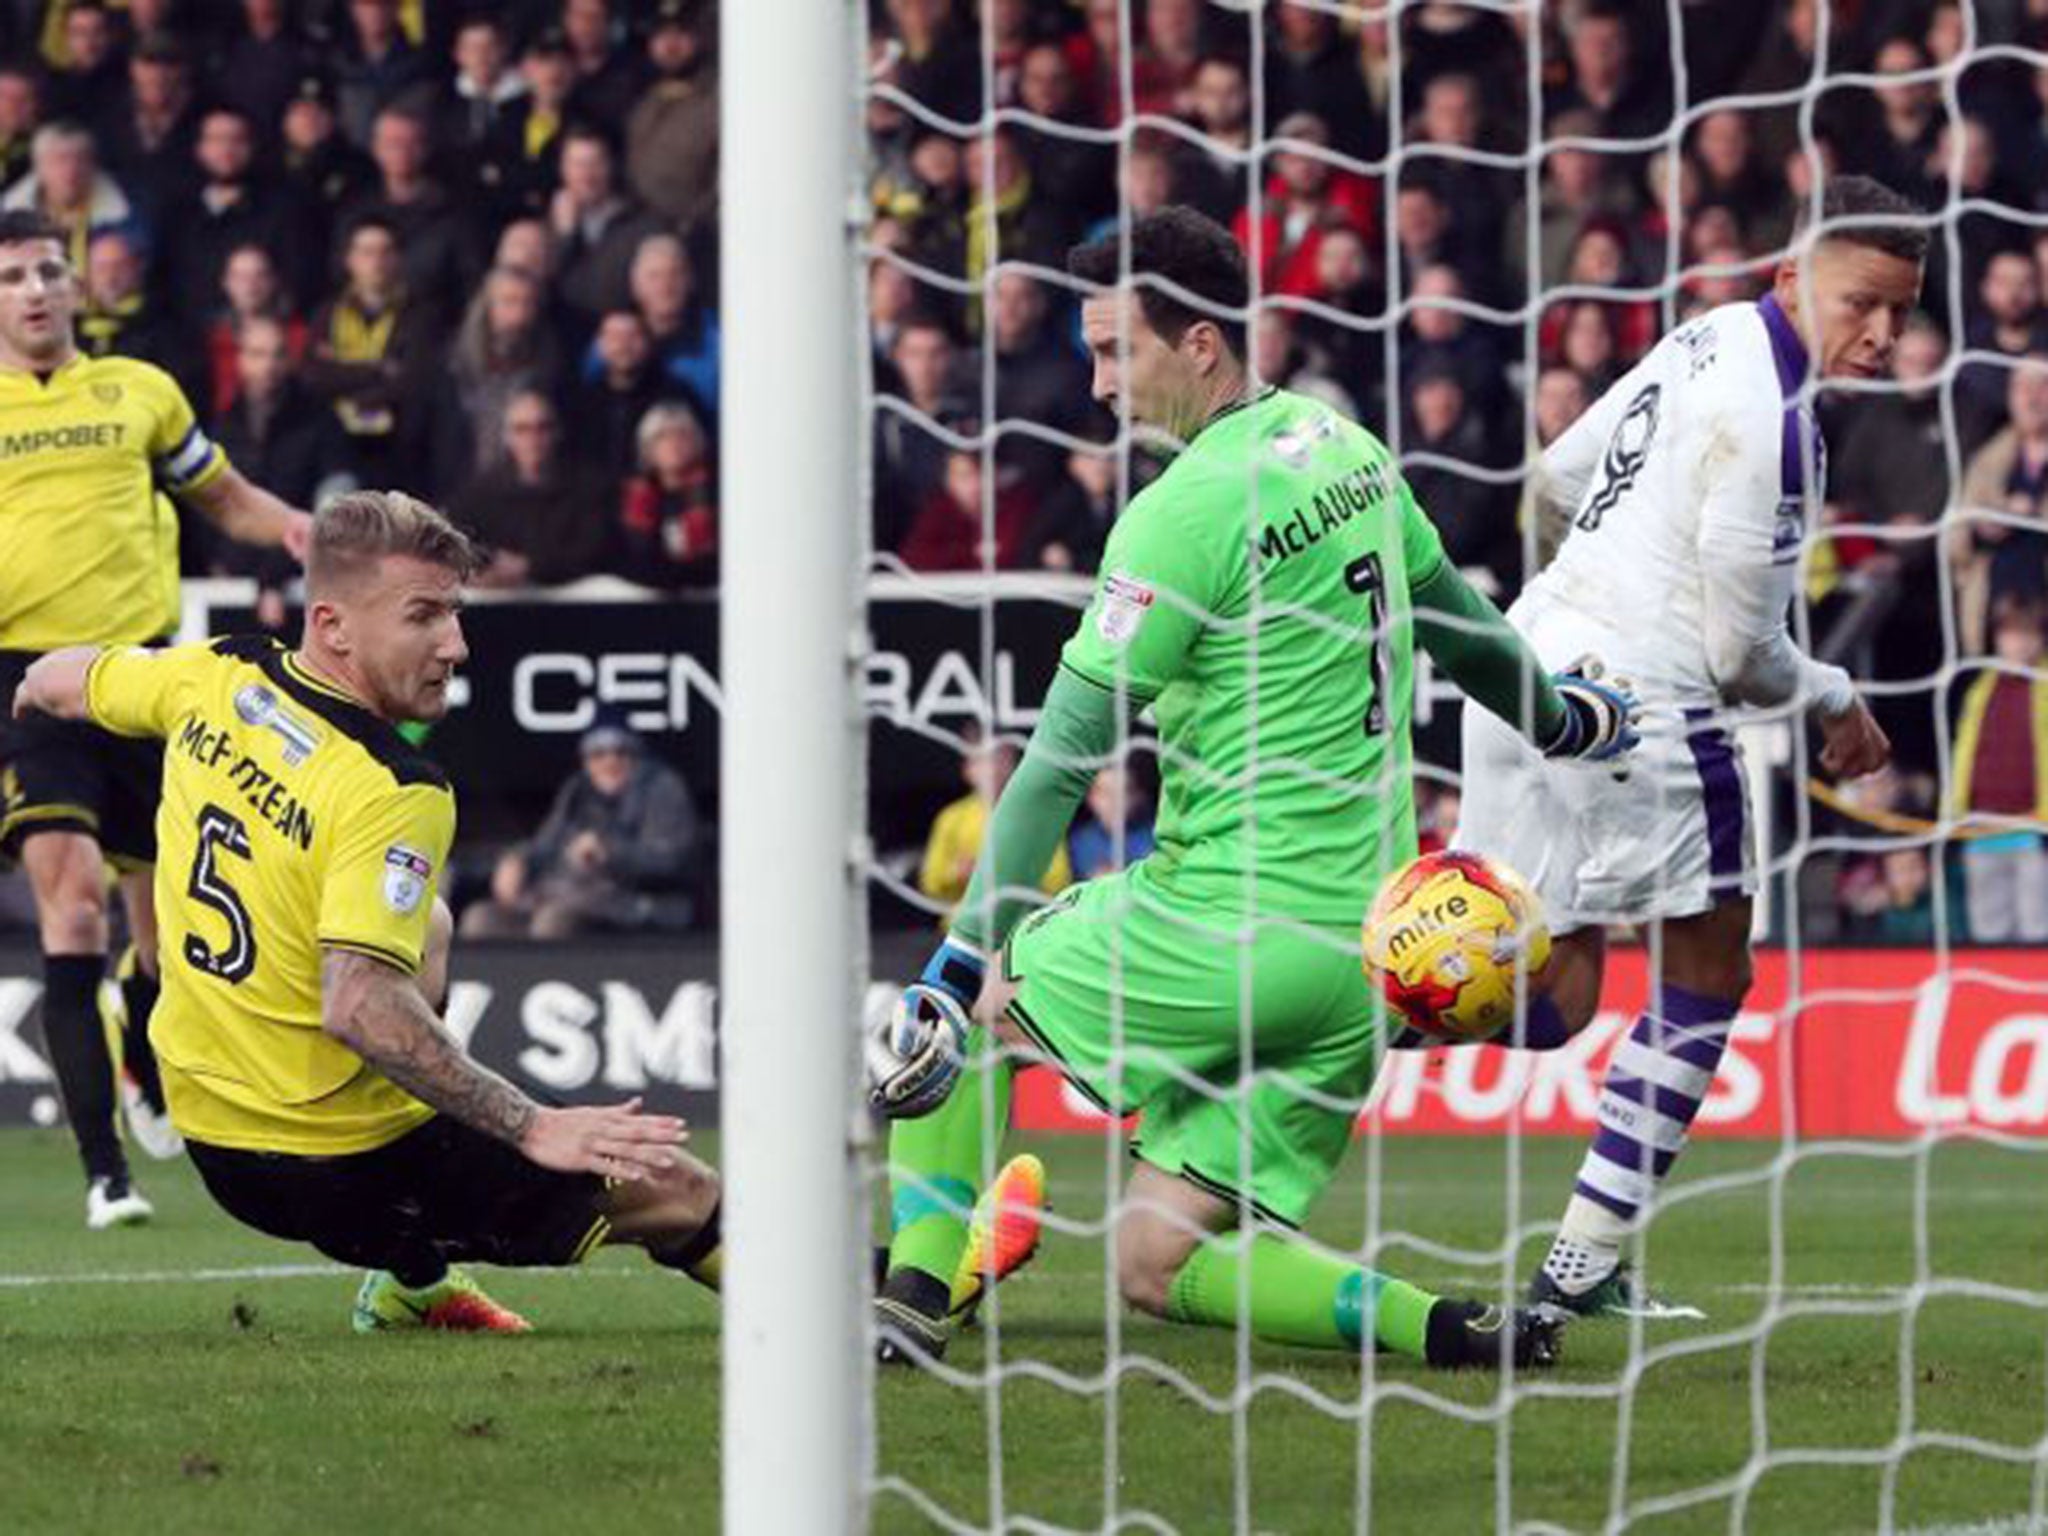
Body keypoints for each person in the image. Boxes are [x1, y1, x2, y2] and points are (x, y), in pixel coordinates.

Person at [868, 206, 1636, 1369]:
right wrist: (1567, 718)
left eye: (1116, 351)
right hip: (1362, 966)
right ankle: (1449, 1330)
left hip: (1222, 927)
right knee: (1152, 1261)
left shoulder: (1173, 519)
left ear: (1200, 346)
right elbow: (1469, 636)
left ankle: (912, 1300)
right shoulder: (1350, 451)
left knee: (966, 1013)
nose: (1095, 385)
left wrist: (951, 961)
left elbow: (1057, 767)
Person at [11, 492, 723, 1331]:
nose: (455, 645)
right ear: (333, 625)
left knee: (430, 927)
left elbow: (56, 679)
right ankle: (878, 1318)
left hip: (208, 1131)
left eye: (454, 614)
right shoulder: (395, 787)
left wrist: (27, 695)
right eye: (424, 616)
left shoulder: (219, 673)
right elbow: (356, 1005)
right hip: (335, 1165)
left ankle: (410, 1281)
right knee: (680, 1190)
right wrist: (533, 1126)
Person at [1453, 175, 1920, 1319]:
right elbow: (1739, 657)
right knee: (1708, 972)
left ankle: (1246, 1026)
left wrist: (1576, 604)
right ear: (1788, 278)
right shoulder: (1774, 425)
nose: (1881, 335)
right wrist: (1831, 697)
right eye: (1860, 302)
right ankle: (1580, 1271)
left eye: (1899, 312)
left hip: (1520, 661)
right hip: (1642, 706)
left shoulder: (1705, 332)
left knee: (1542, 997)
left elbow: (1558, 471)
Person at [0, 208, 312, 1228]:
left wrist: (305, 531)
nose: (35, 290)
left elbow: (225, 501)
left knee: (169, 941)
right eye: (13, 277)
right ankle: (105, 1175)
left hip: (142, 679)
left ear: (79, 287)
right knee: (74, 905)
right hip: (30, 683)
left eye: (50, 270)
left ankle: (143, 1055)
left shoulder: (141, 392)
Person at [463, 713, 702, 940]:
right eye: (598, 753)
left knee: (554, 921)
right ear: (586, 760)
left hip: (635, 905)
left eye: (621, 752)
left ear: (636, 755)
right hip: (567, 895)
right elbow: (546, 846)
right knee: (482, 919)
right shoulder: (577, 789)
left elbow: (672, 861)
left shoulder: (662, 789)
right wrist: (518, 859)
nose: (610, 761)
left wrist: (609, 853)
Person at [915, 730, 1070, 914]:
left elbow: (1061, 882)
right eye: (982, 760)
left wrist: (1017, 874)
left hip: (1023, 927)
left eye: (1001, 759)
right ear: (968, 769)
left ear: (1015, 767)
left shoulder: (1038, 817)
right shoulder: (951, 818)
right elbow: (929, 884)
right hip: (963, 929)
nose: (993, 769)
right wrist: (957, 873)